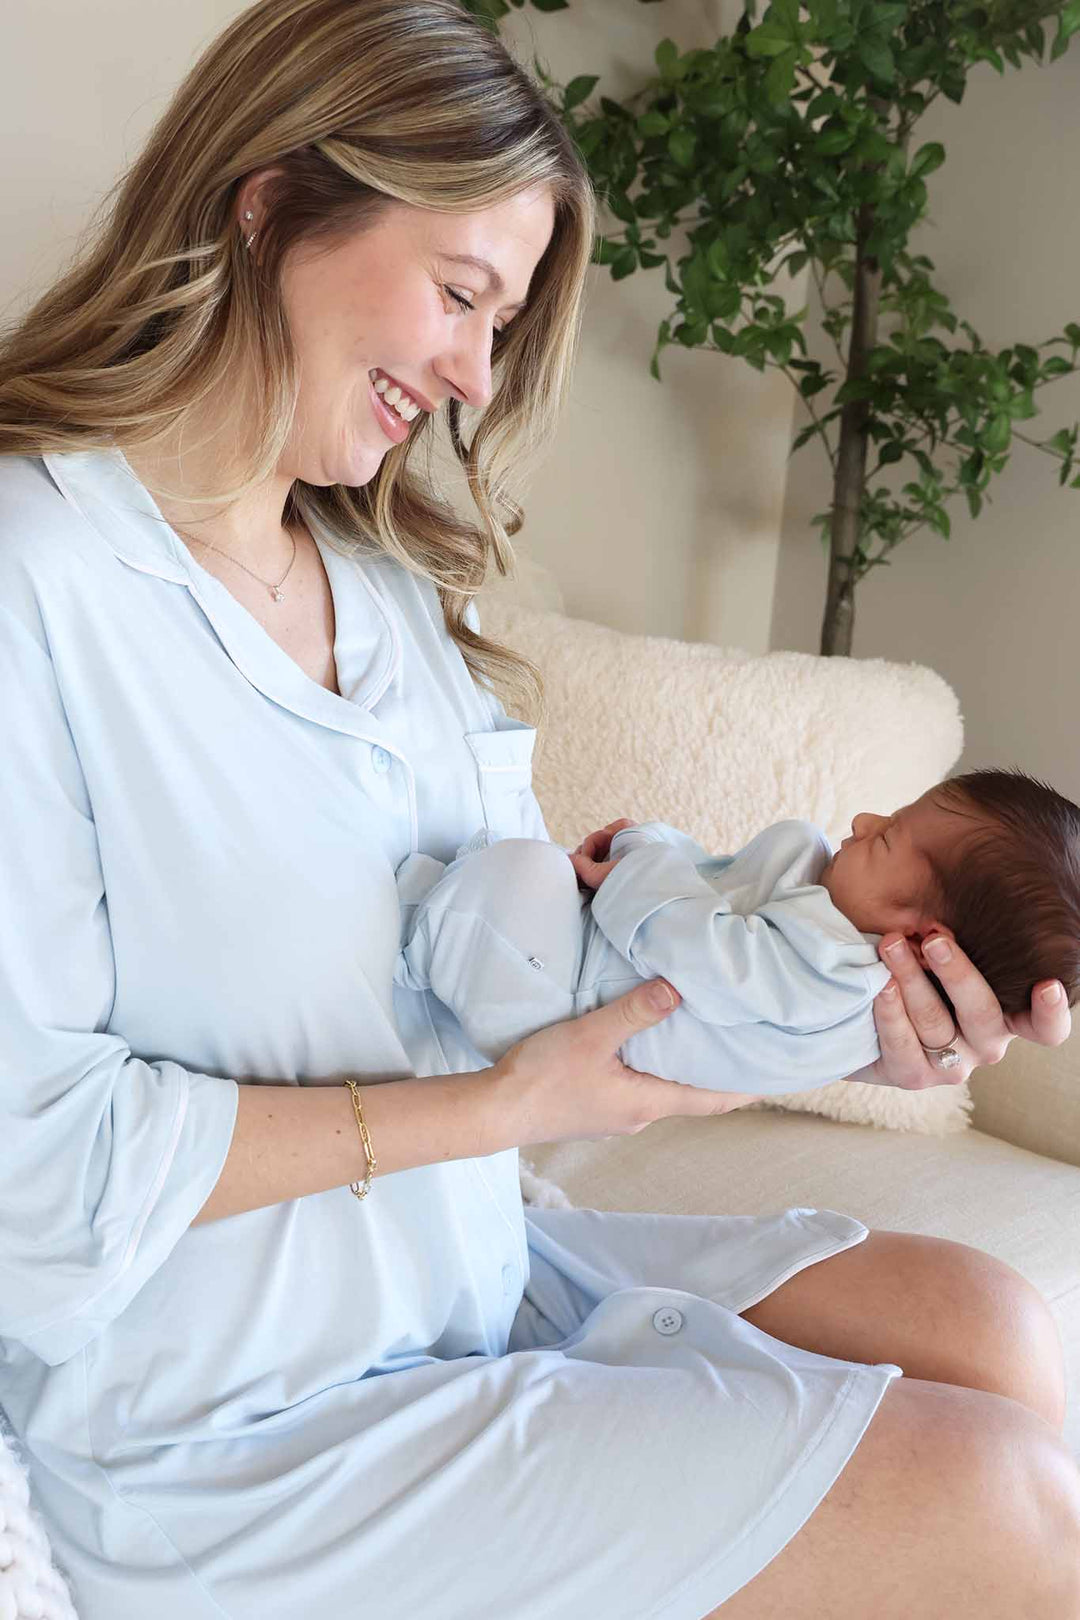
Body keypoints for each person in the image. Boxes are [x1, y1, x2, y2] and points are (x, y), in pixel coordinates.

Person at [0, 2, 1077, 1617]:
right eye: (458, 294)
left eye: (497, 322)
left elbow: (526, 1004)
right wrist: (504, 1112)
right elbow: (34, 1171)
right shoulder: (42, 582)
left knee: (992, 1324)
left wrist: (824, 1021)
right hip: (237, 1415)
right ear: (272, 196)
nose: (469, 373)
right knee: (1006, 1511)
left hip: (459, 1274)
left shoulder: (387, 595)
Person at [392, 768, 1080, 1097]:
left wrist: (633, 863)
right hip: (576, 980)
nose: (865, 821)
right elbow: (713, 888)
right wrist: (645, 844)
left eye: (889, 837)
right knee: (511, 879)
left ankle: (413, 940)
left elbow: (707, 951)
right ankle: (430, 923)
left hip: (564, 1012)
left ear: (925, 934)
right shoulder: (832, 933)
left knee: (519, 877)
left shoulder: (842, 976)